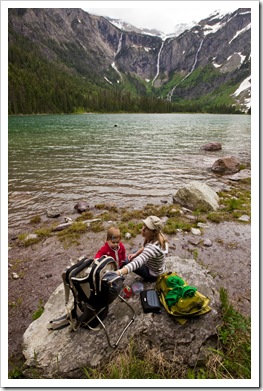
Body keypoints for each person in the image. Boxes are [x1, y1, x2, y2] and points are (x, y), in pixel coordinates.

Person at [116, 215, 168, 282]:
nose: (142, 229)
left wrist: (117, 273)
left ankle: (119, 272)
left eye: (147, 229)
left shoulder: (153, 248)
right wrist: (135, 255)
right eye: (144, 225)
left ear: (154, 232)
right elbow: (145, 247)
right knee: (135, 252)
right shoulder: (159, 236)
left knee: (127, 261)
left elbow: (137, 262)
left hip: (153, 275)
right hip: (158, 268)